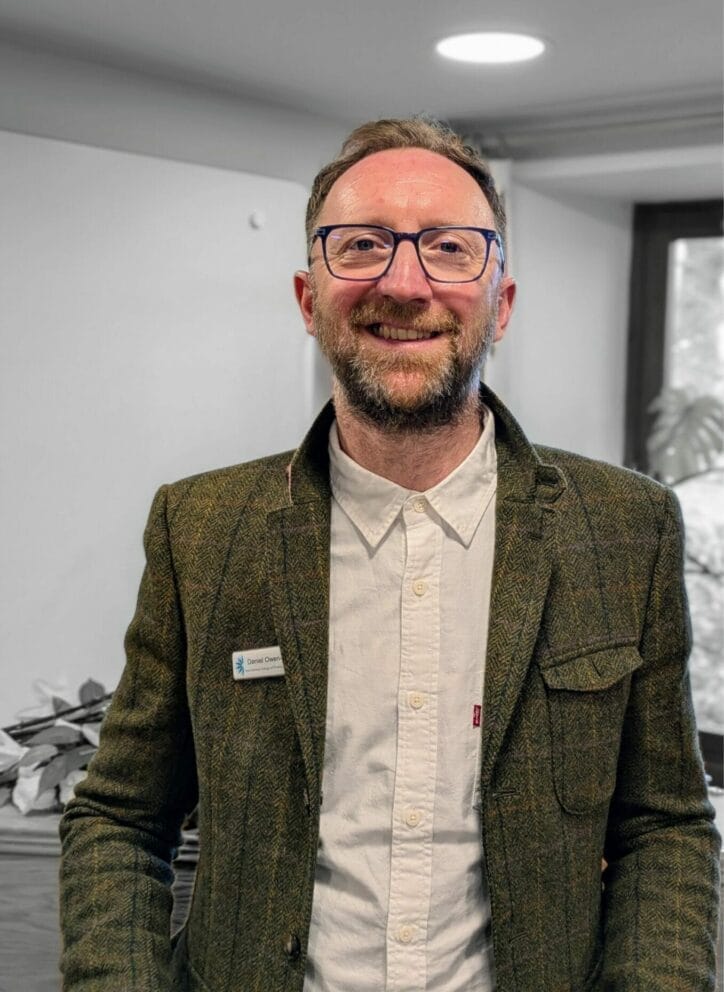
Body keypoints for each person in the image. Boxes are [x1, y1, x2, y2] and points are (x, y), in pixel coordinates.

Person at [59, 116, 721, 992]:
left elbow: (664, 826)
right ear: (307, 298)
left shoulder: (624, 527)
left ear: (502, 302)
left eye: (449, 247)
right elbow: (118, 816)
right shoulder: (204, 529)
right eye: (362, 244)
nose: (404, 282)